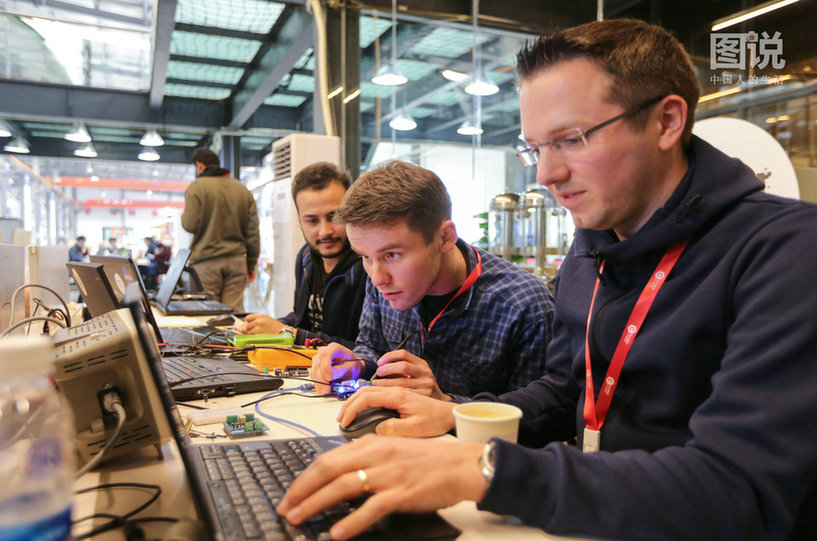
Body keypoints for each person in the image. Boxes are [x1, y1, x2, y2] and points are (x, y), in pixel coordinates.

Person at [277, 19, 817, 541]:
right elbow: (563, 395)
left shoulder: (786, 250)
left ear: (667, 122)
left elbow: (737, 489)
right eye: (535, 148)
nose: (546, 174)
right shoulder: (590, 249)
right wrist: (455, 414)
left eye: (572, 139)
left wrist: (487, 468)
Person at [309, 160, 555, 401]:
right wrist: (357, 364)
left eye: (392, 255)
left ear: (445, 237)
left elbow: (535, 418)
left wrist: (445, 403)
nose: (377, 278)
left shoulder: (523, 307)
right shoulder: (383, 279)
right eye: (365, 257)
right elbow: (372, 347)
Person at [235, 162, 366, 349]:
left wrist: (286, 332)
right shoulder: (306, 258)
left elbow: (366, 351)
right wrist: (265, 326)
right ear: (299, 220)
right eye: (312, 220)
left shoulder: (369, 267)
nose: (325, 231)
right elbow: (302, 319)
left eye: (334, 217)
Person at [181, 148, 260, 312]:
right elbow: (253, 232)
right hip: (236, 262)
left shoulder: (197, 187)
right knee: (234, 314)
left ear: (199, 165)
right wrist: (251, 264)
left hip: (206, 262)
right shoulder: (242, 189)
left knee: (208, 314)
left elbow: (190, 225)